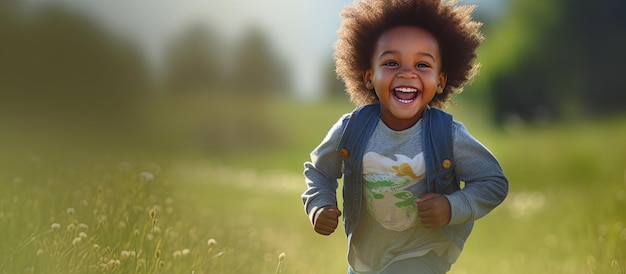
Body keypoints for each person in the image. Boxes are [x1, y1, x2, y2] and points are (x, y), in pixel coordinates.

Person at [301, 0, 509, 273]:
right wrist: (319, 206)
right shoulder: (351, 130)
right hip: (366, 260)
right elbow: (320, 172)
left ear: (440, 81)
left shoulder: (448, 136)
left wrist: (452, 206)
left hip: (424, 256)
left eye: (423, 64)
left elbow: (493, 182)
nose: (407, 73)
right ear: (368, 77)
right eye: (391, 62)